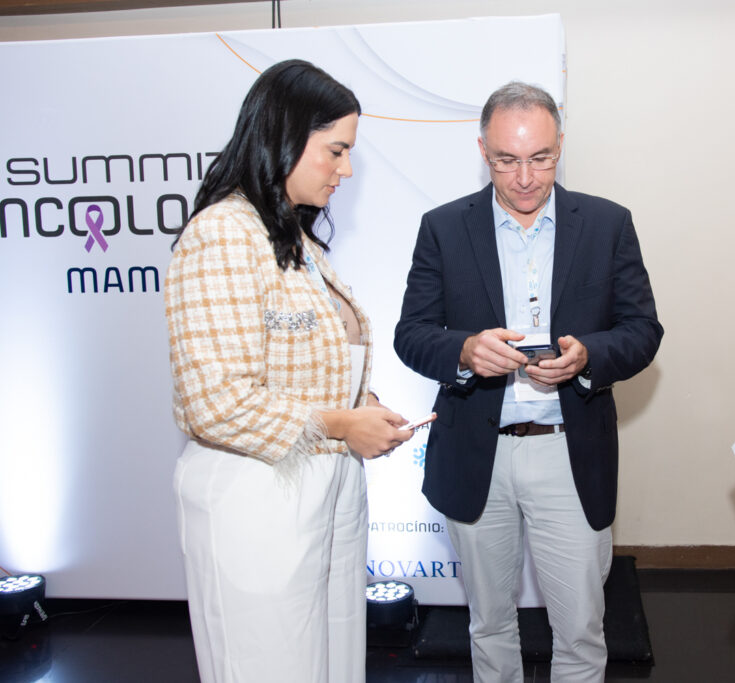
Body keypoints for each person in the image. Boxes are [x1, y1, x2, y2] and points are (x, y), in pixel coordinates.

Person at [393, 81, 662, 682]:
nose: (524, 177)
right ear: (483, 150)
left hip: (569, 451)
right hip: (475, 452)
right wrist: (464, 350)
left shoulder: (606, 223)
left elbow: (644, 331)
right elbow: (410, 334)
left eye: (540, 158)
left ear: (560, 145)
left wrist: (586, 356)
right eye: (506, 160)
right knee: (488, 625)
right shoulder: (442, 227)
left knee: (581, 631)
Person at [164, 59, 413, 683]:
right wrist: (339, 424)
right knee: (269, 666)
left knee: (328, 663)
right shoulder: (222, 233)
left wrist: (364, 406)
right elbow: (213, 402)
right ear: (285, 135)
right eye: (336, 150)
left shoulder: (294, 239)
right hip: (257, 497)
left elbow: (309, 366)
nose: (346, 169)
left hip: (322, 490)